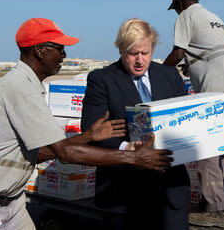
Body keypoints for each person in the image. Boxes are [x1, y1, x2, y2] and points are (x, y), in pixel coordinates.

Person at [0, 18, 173, 230]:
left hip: (9, 202)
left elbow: (37, 153)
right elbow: (64, 153)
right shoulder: (21, 88)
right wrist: (133, 158)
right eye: (59, 48)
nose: (64, 55)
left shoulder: (28, 84)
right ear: (41, 51)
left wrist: (86, 137)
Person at [81, 18, 191, 230]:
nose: (140, 60)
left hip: (170, 191)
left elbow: (186, 118)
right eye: (133, 53)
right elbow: (90, 131)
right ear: (121, 50)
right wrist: (126, 149)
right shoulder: (101, 79)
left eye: (145, 53)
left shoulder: (169, 75)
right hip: (124, 192)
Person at [164, 0, 224, 228]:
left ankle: (214, 211)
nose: (176, 13)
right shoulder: (212, 16)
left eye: (175, 8)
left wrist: (158, 71)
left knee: (205, 151)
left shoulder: (186, 15)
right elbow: (208, 51)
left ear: (180, 4)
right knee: (218, 146)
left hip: (218, 86)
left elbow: (178, 51)